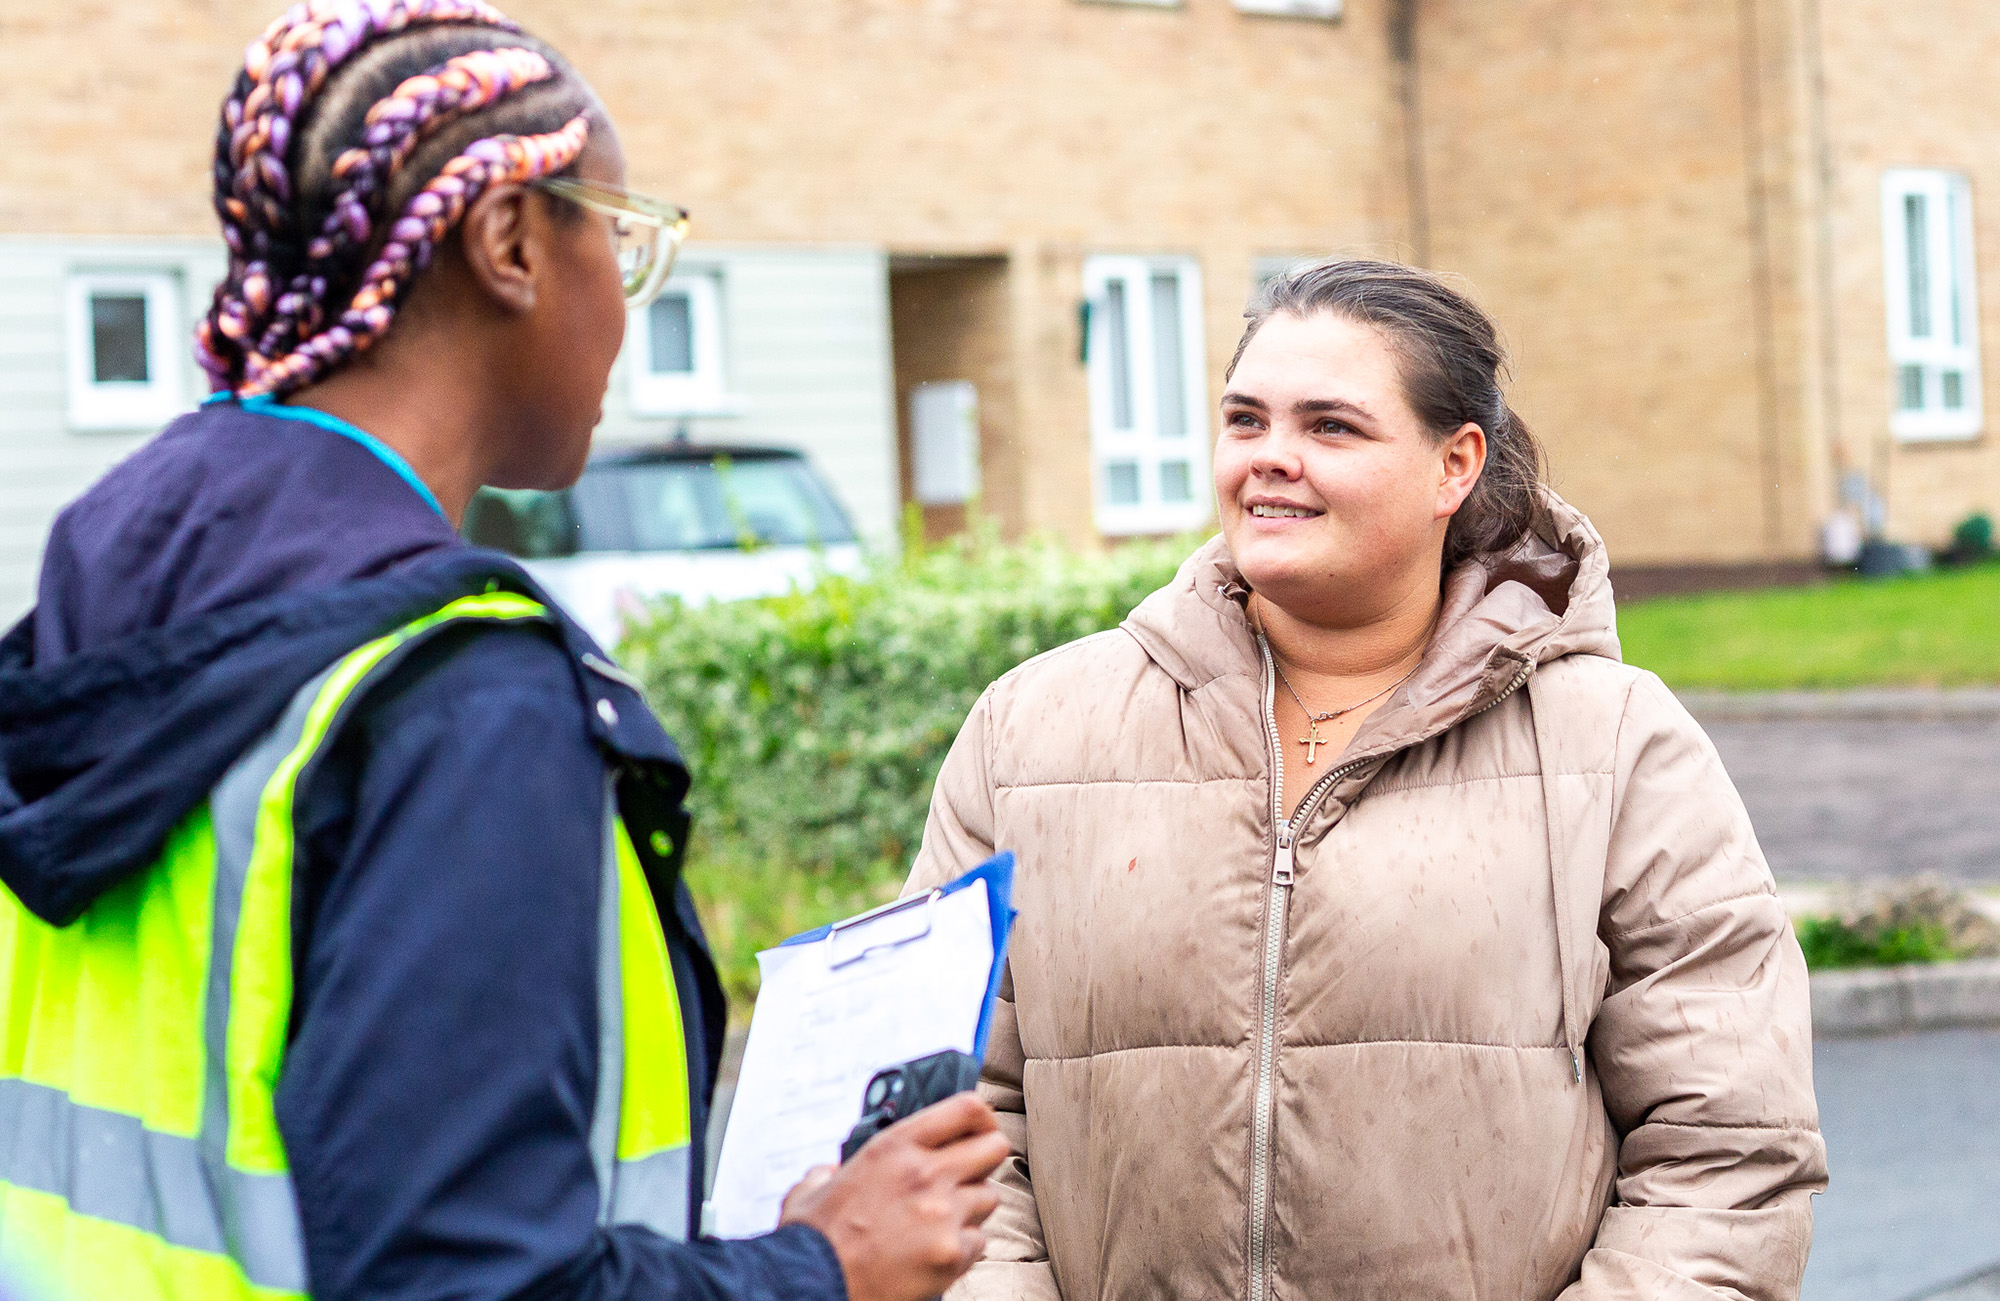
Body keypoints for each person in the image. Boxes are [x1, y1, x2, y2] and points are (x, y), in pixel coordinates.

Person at [0, 5, 1005, 1299]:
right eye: (622, 238)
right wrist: (823, 1265)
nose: (627, 312)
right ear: (514, 244)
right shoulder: (454, 696)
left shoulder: (107, 607)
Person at [906, 259, 1827, 1299]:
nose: (1270, 459)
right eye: (1244, 420)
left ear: (1454, 465)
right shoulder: (1032, 731)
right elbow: (939, 1115)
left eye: (1329, 426)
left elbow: (1726, 1146)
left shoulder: (1613, 746)